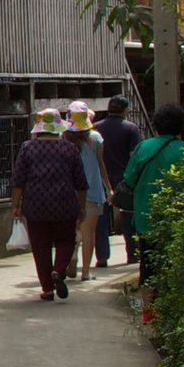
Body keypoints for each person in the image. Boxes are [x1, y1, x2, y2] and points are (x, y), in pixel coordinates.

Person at [10, 107, 86, 302]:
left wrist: (16, 206)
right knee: (66, 240)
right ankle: (58, 270)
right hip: (65, 204)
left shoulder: (28, 148)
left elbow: (18, 180)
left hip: (35, 206)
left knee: (40, 246)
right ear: (57, 127)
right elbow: (80, 182)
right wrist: (82, 208)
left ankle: (47, 288)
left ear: (39, 127)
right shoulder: (69, 148)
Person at [120, 104, 184, 286]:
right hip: (181, 220)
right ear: (182, 126)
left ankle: (148, 312)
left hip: (146, 219)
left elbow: (129, 179)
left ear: (156, 125)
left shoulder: (143, 147)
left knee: (148, 271)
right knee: (178, 270)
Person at [95, 97, 144, 266]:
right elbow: (134, 156)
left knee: (101, 217)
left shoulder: (96, 128)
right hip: (124, 176)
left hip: (101, 176)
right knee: (128, 216)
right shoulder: (130, 128)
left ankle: (102, 257)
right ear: (125, 110)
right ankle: (132, 254)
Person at [66, 102, 108, 282]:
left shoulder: (63, 137)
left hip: (68, 192)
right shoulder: (95, 138)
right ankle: (86, 272)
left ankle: (72, 254)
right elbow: (100, 164)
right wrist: (109, 187)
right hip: (92, 190)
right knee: (89, 232)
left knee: (72, 230)